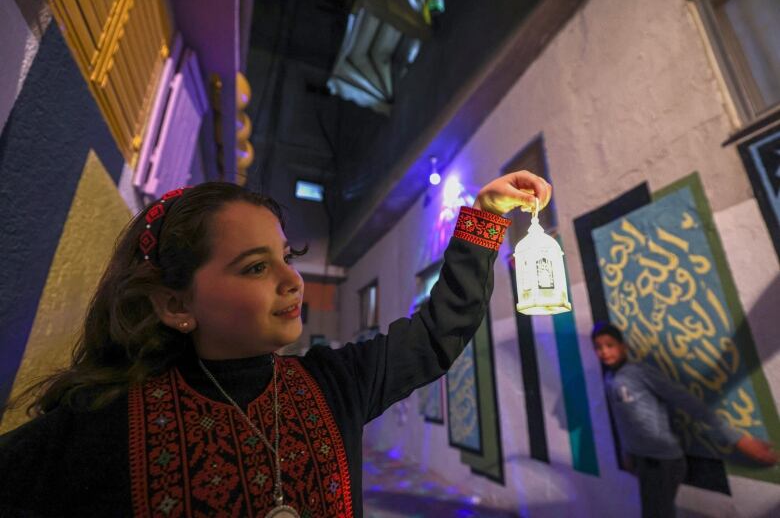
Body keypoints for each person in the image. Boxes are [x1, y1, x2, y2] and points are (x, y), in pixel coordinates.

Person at [0, 171, 551, 517]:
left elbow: (437, 334)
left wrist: (485, 217)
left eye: (287, 257)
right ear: (176, 305)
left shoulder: (333, 384)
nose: (292, 281)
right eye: (256, 266)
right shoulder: (98, 427)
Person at [591, 322, 778, 518]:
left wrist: (738, 439)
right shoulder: (611, 378)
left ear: (623, 346)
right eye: (598, 347)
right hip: (643, 461)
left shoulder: (640, 373)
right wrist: (627, 451)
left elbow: (687, 401)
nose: (604, 352)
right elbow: (624, 420)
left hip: (663, 461)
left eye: (609, 345)